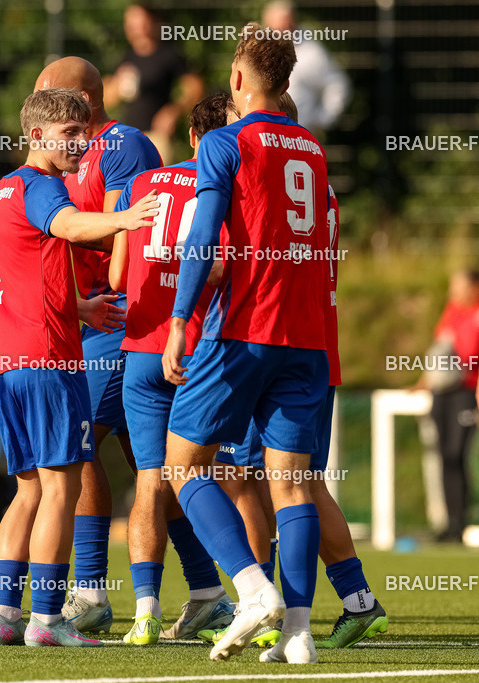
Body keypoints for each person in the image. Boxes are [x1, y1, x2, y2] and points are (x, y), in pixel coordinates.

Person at [161, 23, 331, 664]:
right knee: (293, 485)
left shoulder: (226, 143)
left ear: (237, 78)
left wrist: (181, 319)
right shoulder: (313, 149)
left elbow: (203, 236)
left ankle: (252, 587)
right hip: (306, 335)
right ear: (286, 81)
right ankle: (299, 630)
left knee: (184, 465)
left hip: (244, 329)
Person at [206, 93, 387, 651]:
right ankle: (327, 605)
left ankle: (280, 601)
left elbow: (231, 258)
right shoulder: (315, 180)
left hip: (271, 339)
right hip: (313, 341)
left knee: (271, 478)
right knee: (286, 479)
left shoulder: (257, 171)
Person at [0, 87, 158, 647]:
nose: (81, 143)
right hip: (45, 359)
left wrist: (76, 305)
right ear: (37, 137)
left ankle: (5, 617)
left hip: (5, 361)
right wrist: (126, 217)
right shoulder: (40, 186)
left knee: (28, 489)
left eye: (84, 131)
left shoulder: (4, 189)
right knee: (63, 487)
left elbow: (16, 269)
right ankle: (49, 619)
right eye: (69, 133)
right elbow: (68, 226)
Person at [32, 55, 162, 635]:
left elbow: (119, 244)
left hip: (120, 319)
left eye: (46, 96)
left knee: (76, 445)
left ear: (81, 102)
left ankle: (88, 592)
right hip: (91, 318)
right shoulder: (73, 154)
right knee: (154, 464)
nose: (37, 111)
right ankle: (211, 588)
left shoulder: (120, 145)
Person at [107, 92, 236, 646]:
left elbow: (115, 276)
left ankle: (145, 612)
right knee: (226, 479)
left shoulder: (141, 186)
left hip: (139, 351)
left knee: (148, 482)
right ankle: (251, 597)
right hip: (198, 351)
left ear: (189, 136)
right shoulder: (228, 189)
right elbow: (220, 270)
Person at [103, 3, 204, 163]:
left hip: (157, 137)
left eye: (140, 21)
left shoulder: (168, 54)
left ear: (152, 21)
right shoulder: (125, 58)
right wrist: (116, 86)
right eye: (130, 23)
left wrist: (174, 110)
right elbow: (106, 99)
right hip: (128, 136)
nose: (135, 28)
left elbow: (195, 87)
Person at [423, 270, 479, 543]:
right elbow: (439, 349)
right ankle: (450, 524)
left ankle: (461, 520)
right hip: (442, 393)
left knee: (457, 454)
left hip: (466, 392)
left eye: (459, 286)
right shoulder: (453, 312)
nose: (453, 291)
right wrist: (424, 381)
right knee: (445, 455)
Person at [262, 0, 350, 135]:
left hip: (299, 135)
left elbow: (337, 84)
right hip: (265, 134)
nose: (279, 31)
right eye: (274, 27)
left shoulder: (312, 52)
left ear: (293, 22)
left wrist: (323, 118)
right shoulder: (259, 51)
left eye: (284, 25)